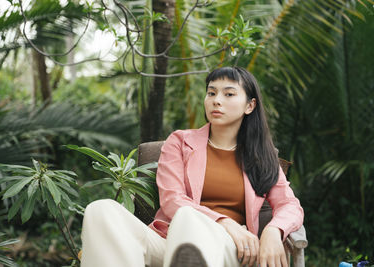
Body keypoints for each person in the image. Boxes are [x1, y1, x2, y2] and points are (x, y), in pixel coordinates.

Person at [80, 66, 304, 267]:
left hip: (226, 248)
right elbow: (172, 199)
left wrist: (274, 231)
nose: (217, 100)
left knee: (189, 216)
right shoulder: (180, 142)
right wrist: (226, 221)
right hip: (168, 242)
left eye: (229, 94)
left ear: (249, 105)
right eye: (211, 92)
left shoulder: (261, 156)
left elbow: (290, 205)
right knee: (100, 210)